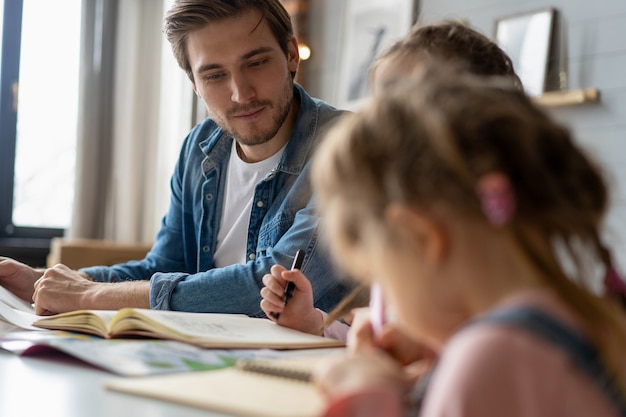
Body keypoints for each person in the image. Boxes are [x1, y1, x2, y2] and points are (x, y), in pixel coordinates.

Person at [308, 64, 626, 416]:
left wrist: (365, 395)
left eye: (380, 276)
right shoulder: (582, 317)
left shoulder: (489, 359)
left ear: (422, 237)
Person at [0, 0, 352, 316]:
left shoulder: (349, 146)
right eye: (214, 74)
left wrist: (90, 295)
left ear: (291, 54)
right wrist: (51, 282)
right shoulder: (200, 148)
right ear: (194, 83)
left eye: (256, 62)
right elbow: (165, 265)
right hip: (203, 360)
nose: (240, 93)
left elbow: (280, 285)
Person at [260, 20, 523, 339]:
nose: (380, 126)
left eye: (404, 108)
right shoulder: (405, 226)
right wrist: (314, 322)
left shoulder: (476, 250)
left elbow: (438, 361)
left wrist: (379, 376)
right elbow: (396, 332)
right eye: (381, 107)